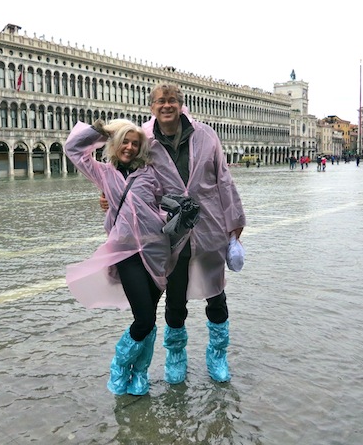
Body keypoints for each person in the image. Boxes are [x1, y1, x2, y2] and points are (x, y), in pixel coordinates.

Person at [103, 83, 246, 383]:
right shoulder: (145, 139)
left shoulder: (206, 135)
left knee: (216, 296)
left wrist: (235, 221)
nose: (166, 106)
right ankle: (176, 355)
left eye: (171, 101)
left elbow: (223, 177)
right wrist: (109, 195)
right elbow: (126, 169)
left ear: (182, 104)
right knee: (175, 299)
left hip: (209, 226)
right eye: (160, 102)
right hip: (170, 232)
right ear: (151, 107)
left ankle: (217, 354)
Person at [65, 118, 179, 396]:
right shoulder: (103, 173)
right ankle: (120, 365)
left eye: (134, 143)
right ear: (115, 145)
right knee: (143, 319)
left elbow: (169, 200)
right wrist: (103, 131)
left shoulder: (150, 174)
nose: (129, 147)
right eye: (124, 142)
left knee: (150, 317)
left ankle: (139, 374)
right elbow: (74, 150)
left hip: (156, 250)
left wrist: (167, 215)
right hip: (126, 253)